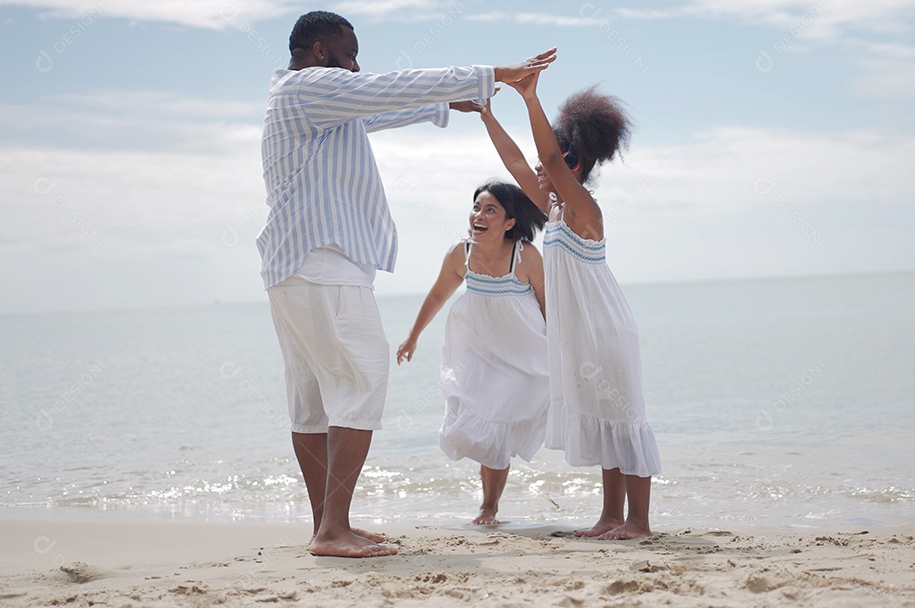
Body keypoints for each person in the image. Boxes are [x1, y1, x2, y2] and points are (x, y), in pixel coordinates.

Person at [256, 10, 555, 558]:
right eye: (350, 53)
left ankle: (328, 524)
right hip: (324, 265)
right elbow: (385, 87)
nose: (357, 64)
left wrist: (447, 106)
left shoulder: (304, 101)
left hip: (294, 269)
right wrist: (495, 75)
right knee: (361, 387)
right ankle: (332, 529)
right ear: (320, 52)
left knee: (313, 403)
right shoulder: (309, 87)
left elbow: (377, 110)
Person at [478, 63, 661, 540]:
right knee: (603, 422)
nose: (540, 170)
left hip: (605, 329)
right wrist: (485, 113)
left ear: (573, 163)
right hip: (580, 334)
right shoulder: (555, 211)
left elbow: (548, 163)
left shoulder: (585, 211)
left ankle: (638, 522)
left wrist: (530, 98)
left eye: (553, 162)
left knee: (624, 419)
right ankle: (609, 518)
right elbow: (520, 164)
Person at [396, 180, 549, 525]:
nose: (478, 215)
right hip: (476, 352)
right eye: (477, 207)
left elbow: (547, 304)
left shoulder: (525, 256)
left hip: (521, 354)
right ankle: (488, 506)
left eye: (490, 210)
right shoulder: (460, 253)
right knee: (475, 422)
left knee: (498, 426)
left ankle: (488, 507)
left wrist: (563, 353)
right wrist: (412, 336)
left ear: (510, 222)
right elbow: (438, 295)